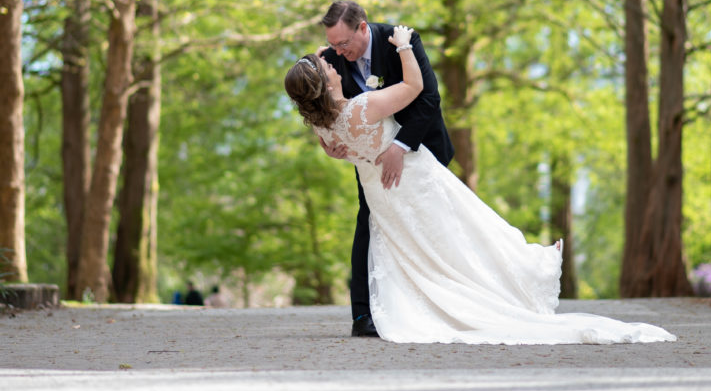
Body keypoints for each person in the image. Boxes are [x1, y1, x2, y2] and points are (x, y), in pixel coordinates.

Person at [284, 25, 676, 345]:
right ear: (322, 80)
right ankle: (507, 284)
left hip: (381, 192)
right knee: (464, 231)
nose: (332, 61)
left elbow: (335, 136)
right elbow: (416, 88)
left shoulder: (323, 125)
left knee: (416, 250)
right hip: (412, 178)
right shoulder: (360, 107)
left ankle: (434, 304)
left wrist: (318, 62)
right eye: (326, 64)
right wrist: (404, 47)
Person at [318, 0, 454, 338]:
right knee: (369, 221)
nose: (338, 51)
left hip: (421, 148)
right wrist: (333, 144)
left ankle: (438, 304)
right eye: (333, 44)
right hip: (371, 159)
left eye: (344, 43)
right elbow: (328, 113)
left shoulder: (401, 42)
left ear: (363, 27)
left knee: (430, 226)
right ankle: (363, 315)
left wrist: (400, 146)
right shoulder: (331, 60)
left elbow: (428, 99)